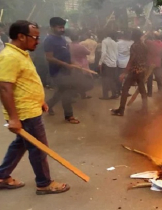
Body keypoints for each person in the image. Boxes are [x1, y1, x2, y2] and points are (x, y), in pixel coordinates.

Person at [0, 20, 69, 195]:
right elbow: (4, 87)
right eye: (35, 37)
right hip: (25, 112)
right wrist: (14, 118)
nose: (38, 41)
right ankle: (44, 183)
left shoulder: (21, 54)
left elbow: (25, 84)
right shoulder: (9, 56)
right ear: (21, 36)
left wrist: (40, 101)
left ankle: (2, 176)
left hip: (30, 108)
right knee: (38, 148)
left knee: (20, 144)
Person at [44, 17, 79, 124]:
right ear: (52, 27)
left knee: (60, 92)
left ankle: (48, 105)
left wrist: (73, 62)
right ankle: (69, 116)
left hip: (66, 71)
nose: (62, 29)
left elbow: (67, 54)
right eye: (60, 27)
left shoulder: (62, 39)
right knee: (66, 93)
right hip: (57, 72)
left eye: (63, 27)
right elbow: (49, 57)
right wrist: (65, 64)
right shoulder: (49, 40)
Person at [110, 29, 148, 116]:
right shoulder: (144, 45)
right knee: (142, 90)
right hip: (142, 70)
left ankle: (121, 110)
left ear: (134, 36)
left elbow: (131, 60)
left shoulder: (134, 46)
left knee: (125, 89)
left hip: (134, 71)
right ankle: (145, 109)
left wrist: (124, 72)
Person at [69, 33, 93, 99]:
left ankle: (77, 94)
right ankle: (81, 94)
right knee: (83, 81)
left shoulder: (69, 45)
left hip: (72, 64)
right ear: (78, 38)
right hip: (82, 65)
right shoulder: (80, 46)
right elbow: (88, 52)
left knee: (75, 80)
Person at [98, 31, 119, 100]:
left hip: (106, 63)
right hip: (113, 64)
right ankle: (114, 94)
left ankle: (105, 95)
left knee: (105, 80)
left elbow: (103, 53)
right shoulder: (115, 43)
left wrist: (100, 63)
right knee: (112, 79)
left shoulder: (104, 41)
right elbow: (116, 54)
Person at [144, 31, 162, 97]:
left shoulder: (150, 43)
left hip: (150, 63)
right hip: (158, 62)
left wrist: (147, 34)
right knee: (159, 78)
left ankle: (149, 93)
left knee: (149, 78)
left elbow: (144, 40)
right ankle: (161, 91)